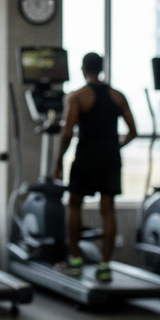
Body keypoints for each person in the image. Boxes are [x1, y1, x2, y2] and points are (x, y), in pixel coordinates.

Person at [52, 52, 137, 283]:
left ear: (82, 69)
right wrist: (116, 145)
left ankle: (75, 260)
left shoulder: (77, 96)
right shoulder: (118, 96)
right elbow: (133, 130)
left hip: (87, 153)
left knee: (74, 205)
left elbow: (68, 132)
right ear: (101, 68)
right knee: (107, 209)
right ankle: (105, 265)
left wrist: (58, 161)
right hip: (110, 155)